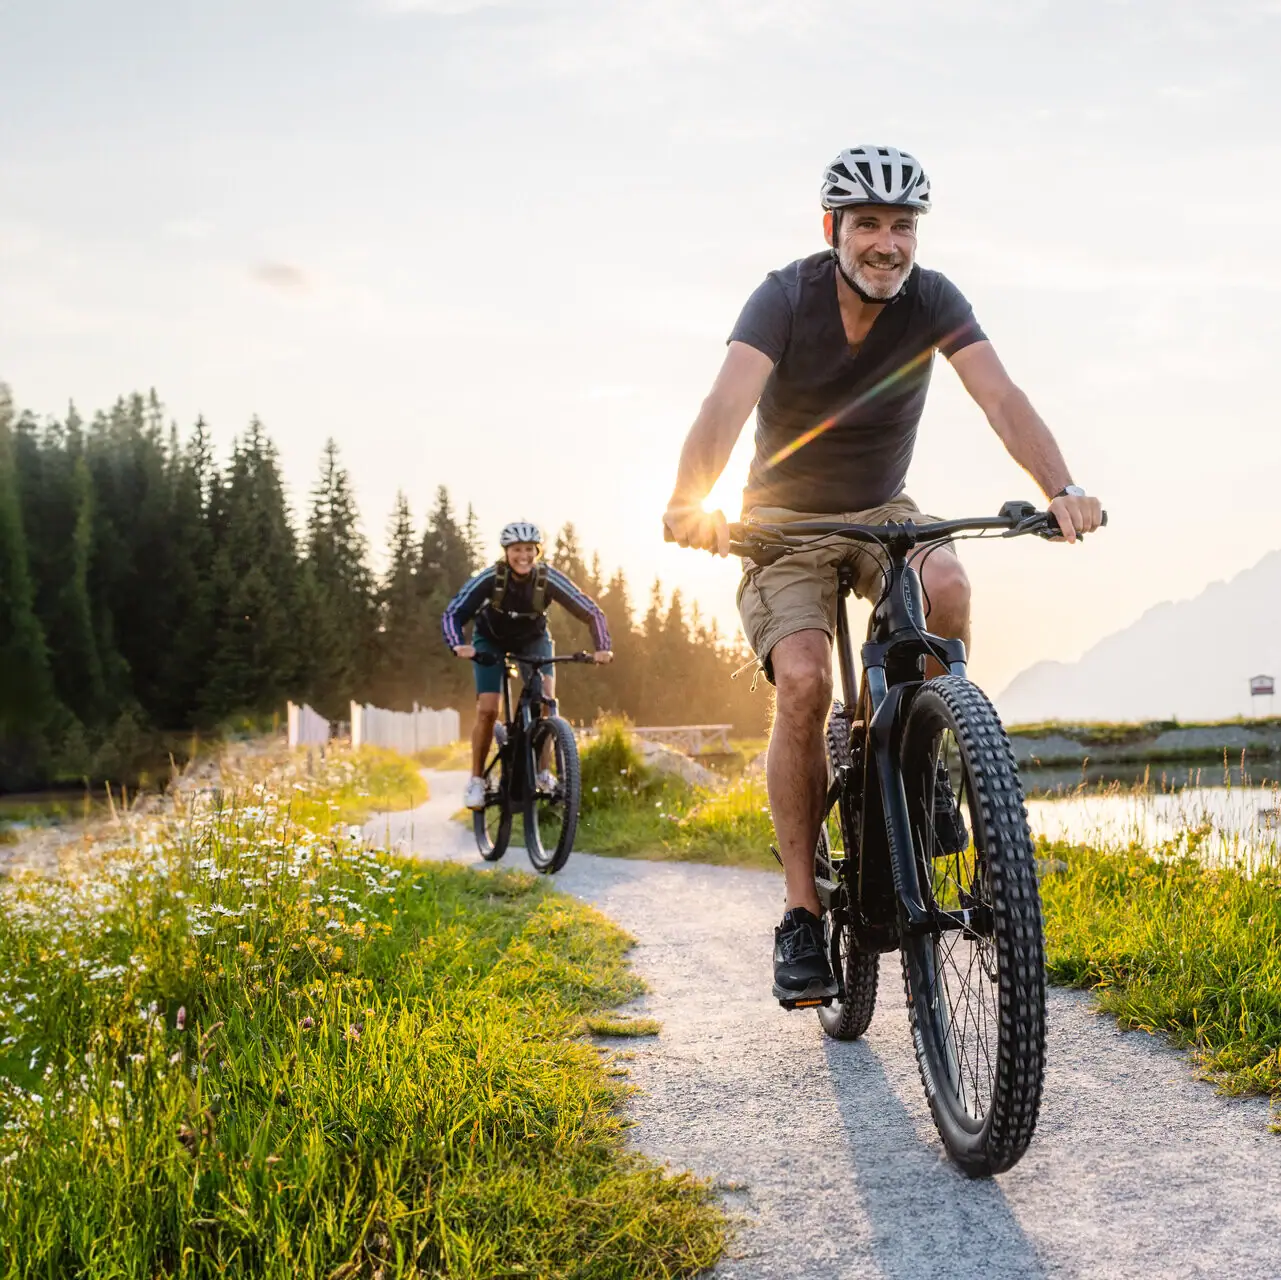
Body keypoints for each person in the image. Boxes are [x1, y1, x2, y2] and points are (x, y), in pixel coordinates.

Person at [662, 144, 1104, 1007]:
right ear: (832, 229)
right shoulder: (784, 296)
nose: (887, 244)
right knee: (799, 681)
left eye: (902, 226)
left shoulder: (933, 299)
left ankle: (928, 750)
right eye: (868, 224)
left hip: (881, 507)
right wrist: (690, 499)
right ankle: (798, 912)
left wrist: (1060, 488)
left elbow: (1000, 398)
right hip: (780, 523)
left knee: (948, 587)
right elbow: (725, 403)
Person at [443, 520, 613, 809]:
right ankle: (476, 781)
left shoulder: (548, 578)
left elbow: (590, 610)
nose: (523, 556)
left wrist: (602, 647)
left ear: (537, 551)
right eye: (516, 550)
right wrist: (458, 644)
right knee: (487, 709)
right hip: (490, 640)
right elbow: (454, 612)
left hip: (533, 640)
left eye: (529, 550)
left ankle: (543, 772)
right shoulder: (491, 577)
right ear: (506, 552)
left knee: (547, 703)